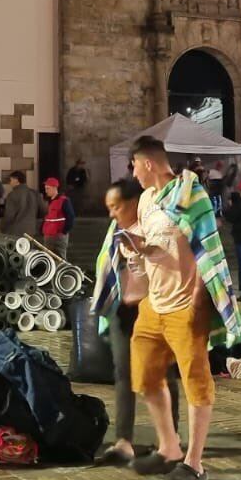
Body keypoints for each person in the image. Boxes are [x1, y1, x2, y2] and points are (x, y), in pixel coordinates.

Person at [113, 135, 241, 480]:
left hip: (185, 304)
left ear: (147, 163)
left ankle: (195, 464)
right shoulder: (146, 200)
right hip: (153, 304)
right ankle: (169, 447)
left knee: (195, 382)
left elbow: (207, 249)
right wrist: (134, 248)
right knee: (145, 376)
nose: (133, 174)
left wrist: (200, 300)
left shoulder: (192, 196)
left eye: (134, 166)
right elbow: (152, 245)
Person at [92, 178, 179, 465]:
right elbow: (107, 265)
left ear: (132, 203)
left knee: (163, 373)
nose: (111, 213)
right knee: (123, 373)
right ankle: (123, 441)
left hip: (152, 309)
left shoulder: (156, 226)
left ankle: (170, 440)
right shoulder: (115, 231)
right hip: (122, 310)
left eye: (115, 206)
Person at [41, 177, 74, 259]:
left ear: (54, 188)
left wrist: (64, 231)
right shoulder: (49, 201)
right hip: (48, 235)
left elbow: (70, 217)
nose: (46, 191)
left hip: (59, 236)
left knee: (60, 258)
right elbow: (47, 218)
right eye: (45, 188)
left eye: (48, 188)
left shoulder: (64, 201)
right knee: (48, 259)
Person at [0, 170, 39, 237]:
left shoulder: (12, 195)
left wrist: (2, 227)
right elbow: (43, 211)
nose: (10, 183)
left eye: (11, 180)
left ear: (16, 180)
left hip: (16, 232)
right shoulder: (34, 193)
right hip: (31, 231)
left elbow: (9, 216)